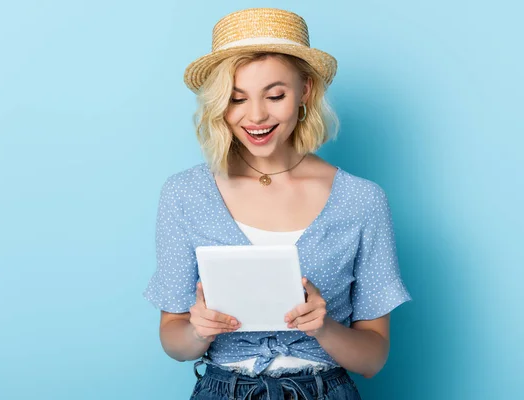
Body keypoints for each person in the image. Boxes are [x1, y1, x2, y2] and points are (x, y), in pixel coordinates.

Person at [143, 7, 412, 399]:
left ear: (304, 91)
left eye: (275, 95)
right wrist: (197, 330)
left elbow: (372, 359)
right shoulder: (185, 193)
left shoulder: (361, 200)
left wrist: (324, 327)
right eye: (237, 98)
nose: (256, 116)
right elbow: (173, 342)